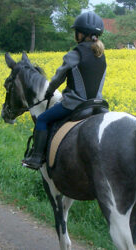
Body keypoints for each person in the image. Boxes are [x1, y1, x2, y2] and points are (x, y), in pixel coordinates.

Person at [22, 11, 107, 170]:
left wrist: (50, 91)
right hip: (97, 104)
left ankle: (36, 158)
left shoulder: (75, 54)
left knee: (42, 119)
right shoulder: (101, 54)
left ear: (80, 34)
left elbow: (58, 78)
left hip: (75, 104)